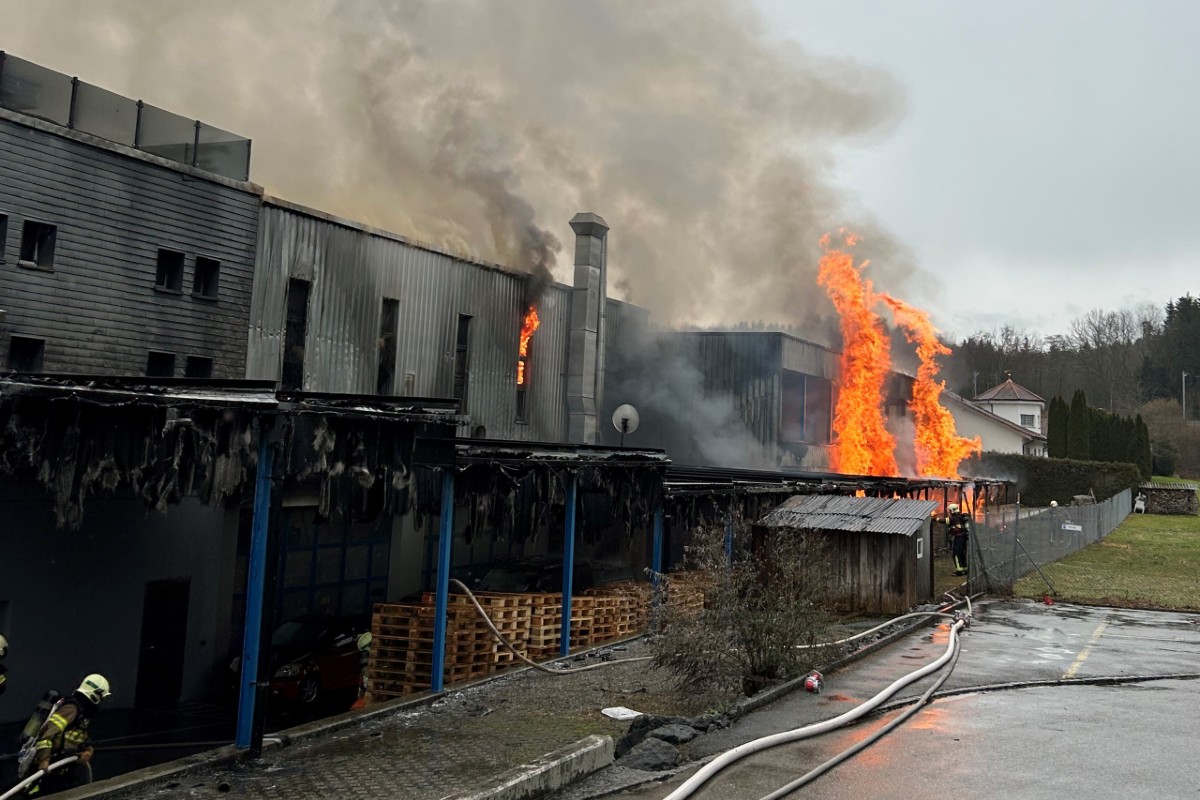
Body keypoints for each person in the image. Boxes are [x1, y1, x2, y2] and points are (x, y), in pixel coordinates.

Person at [28, 674, 110, 796]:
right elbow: (46, 734)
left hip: (64, 766)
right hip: (51, 766)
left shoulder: (83, 712)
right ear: (96, 694)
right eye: (102, 697)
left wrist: (87, 750)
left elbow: (81, 735)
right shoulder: (71, 709)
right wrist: (44, 759)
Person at [947, 503, 971, 577]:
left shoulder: (954, 518)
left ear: (952, 511)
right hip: (963, 538)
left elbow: (945, 520)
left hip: (958, 538)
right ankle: (965, 569)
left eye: (949, 511)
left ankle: (959, 571)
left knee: (956, 554)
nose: (949, 512)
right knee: (962, 554)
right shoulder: (960, 517)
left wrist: (934, 518)